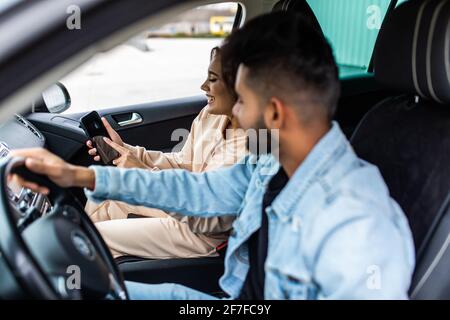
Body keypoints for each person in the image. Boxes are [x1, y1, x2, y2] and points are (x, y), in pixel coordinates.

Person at [11, 11, 415, 299]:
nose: (233, 112)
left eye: (243, 101)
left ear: (274, 112)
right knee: (89, 287)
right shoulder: (270, 160)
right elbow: (197, 188)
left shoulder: (355, 227)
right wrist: (81, 177)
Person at [83, 46, 247, 259]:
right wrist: (128, 151)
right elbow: (184, 162)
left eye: (213, 79)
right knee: (104, 194)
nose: (203, 86)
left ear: (242, 85)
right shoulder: (211, 115)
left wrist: (142, 173)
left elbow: (212, 218)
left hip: (207, 232)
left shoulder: (255, 143)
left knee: (98, 237)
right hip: (183, 203)